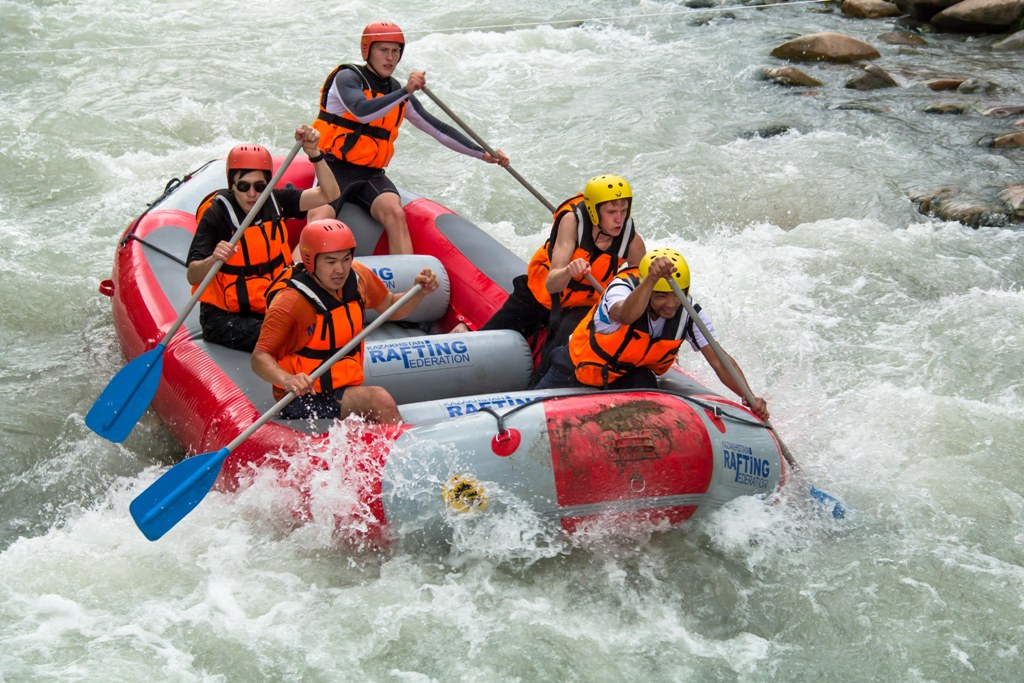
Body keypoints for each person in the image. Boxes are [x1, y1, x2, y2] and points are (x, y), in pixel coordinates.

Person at [306, 21, 510, 255]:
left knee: (395, 213)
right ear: (367, 51)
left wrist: (484, 154)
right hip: (332, 167)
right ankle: (294, 278)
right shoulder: (348, 78)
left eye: (395, 51)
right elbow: (361, 112)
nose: (390, 58)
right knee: (320, 218)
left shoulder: (399, 94)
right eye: (383, 50)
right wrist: (405, 91)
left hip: (370, 173)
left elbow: (439, 130)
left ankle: (406, 286)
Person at [534, 248, 770, 421]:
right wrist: (650, 281)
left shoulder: (688, 310)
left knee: (645, 381)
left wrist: (749, 397)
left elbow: (719, 360)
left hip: (625, 379)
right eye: (660, 296)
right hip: (575, 369)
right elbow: (624, 315)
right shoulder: (621, 289)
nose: (670, 304)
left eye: (677, 295)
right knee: (533, 409)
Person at [252, 219, 439, 424]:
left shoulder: (358, 278)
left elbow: (392, 306)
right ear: (310, 261)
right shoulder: (291, 302)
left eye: (345, 259)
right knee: (379, 400)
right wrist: (289, 380)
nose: (340, 270)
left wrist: (418, 292)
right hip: (301, 396)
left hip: (343, 384)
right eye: (330, 262)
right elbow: (260, 357)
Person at [185, 126, 341, 351]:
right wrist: (212, 259)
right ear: (232, 185)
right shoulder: (216, 215)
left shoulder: (275, 201)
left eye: (260, 186)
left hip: (273, 303)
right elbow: (192, 275)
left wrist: (314, 153)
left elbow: (330, 194)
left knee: (325, 323)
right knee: (288, 335)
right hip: (226, 318)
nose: (251, 194)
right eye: (243, 186)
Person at [478, 174, 647, 369]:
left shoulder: (633, 244)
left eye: (623, 210)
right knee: (488, 341)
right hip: (539, 294)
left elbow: (639, 298)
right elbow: (552, 284)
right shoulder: (571, 222)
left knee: (558, 357)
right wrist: (569, 271)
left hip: (581, 307)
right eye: (611, 212)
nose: (619, 219)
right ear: (593, 211)